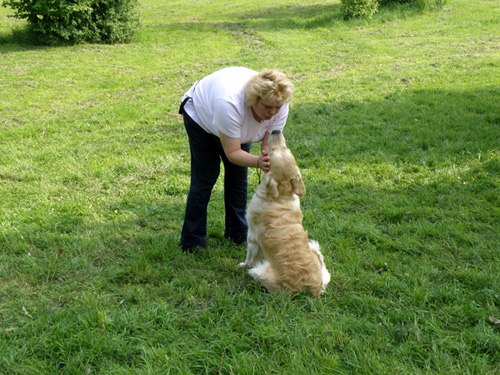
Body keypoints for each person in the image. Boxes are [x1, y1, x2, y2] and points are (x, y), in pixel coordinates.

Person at [178, 67, 294, 253]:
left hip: (234, 124)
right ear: (254, 99)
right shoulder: (230, 105)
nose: (273, 112)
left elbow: (268, 145)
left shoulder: (279, 104)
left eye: (277, 108)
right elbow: (232, 153)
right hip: (201, 115)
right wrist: (258, 162)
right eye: (267, 107)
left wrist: (268, 158)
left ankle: (238, 233)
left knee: (238, 178)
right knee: (206, 177)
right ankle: (192, 240)